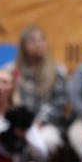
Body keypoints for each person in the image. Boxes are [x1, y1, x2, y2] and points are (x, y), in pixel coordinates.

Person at [7, 25, 68, 155]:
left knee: (45, 141)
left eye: (41, 40)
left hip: (47, 124)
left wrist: (38, 121)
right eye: (33, 41)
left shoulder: (57, 71)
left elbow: (58, 104)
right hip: (17, 124)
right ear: (23, 46)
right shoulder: (11, 71)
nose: (38, 44)